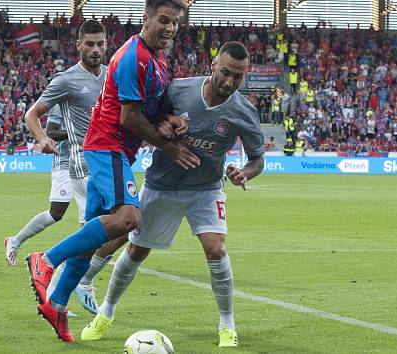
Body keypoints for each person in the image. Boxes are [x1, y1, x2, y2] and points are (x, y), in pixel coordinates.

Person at [25, 0, 198, 343]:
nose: (170, 28)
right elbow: (129, 117)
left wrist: (172, 121)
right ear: (147, 19)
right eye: (164, 20)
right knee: (130, 218)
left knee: (94, 236)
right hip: (108, 146)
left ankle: (57, 304)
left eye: (175, 23)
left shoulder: (157, 59)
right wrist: (169, 147)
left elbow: (150, 110)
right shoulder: (135, 57)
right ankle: (45, 259)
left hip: (115, 148)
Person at [81, 42, 265, 348]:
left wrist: (245, 172)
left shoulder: (244, 112)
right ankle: (105, 314)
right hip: (161, 185)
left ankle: (227, 326)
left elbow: (258, 159)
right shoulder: (178, 91)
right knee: (137, 251)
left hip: (205, 190)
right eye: (225, 73)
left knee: (216, 250)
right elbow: (144, 117)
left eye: (238, 76)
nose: (229, 82)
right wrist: (163, 126)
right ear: (213, 66)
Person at [15, 20, 113, 342]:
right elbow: (32, 114)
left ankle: (56, 297)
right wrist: (42, 138)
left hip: (107, 163)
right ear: (79, 45)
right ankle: (52, 270)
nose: (96, 50)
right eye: (90, 44)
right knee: (117, 226)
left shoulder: (109, 75)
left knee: (105, 233)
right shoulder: (67, 79)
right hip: (82, 166)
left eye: (101, 44)